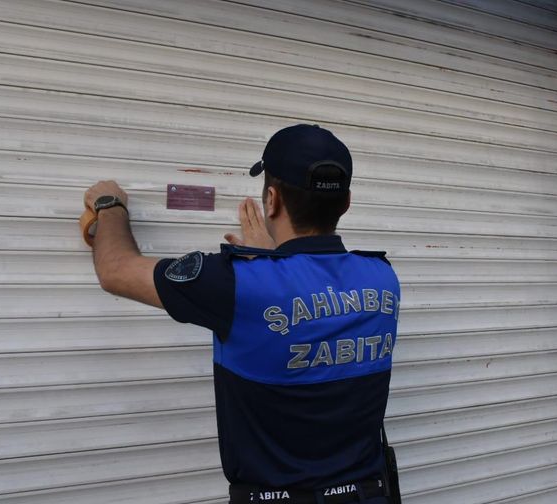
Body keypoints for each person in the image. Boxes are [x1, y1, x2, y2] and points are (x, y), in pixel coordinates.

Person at [83, 124, 401, 504]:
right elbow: (316, 301)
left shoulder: (237, 283)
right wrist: (273, 261)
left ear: (271, 199)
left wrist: (109, 205)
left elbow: (115, 270)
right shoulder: (383, 278)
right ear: (346, 202)